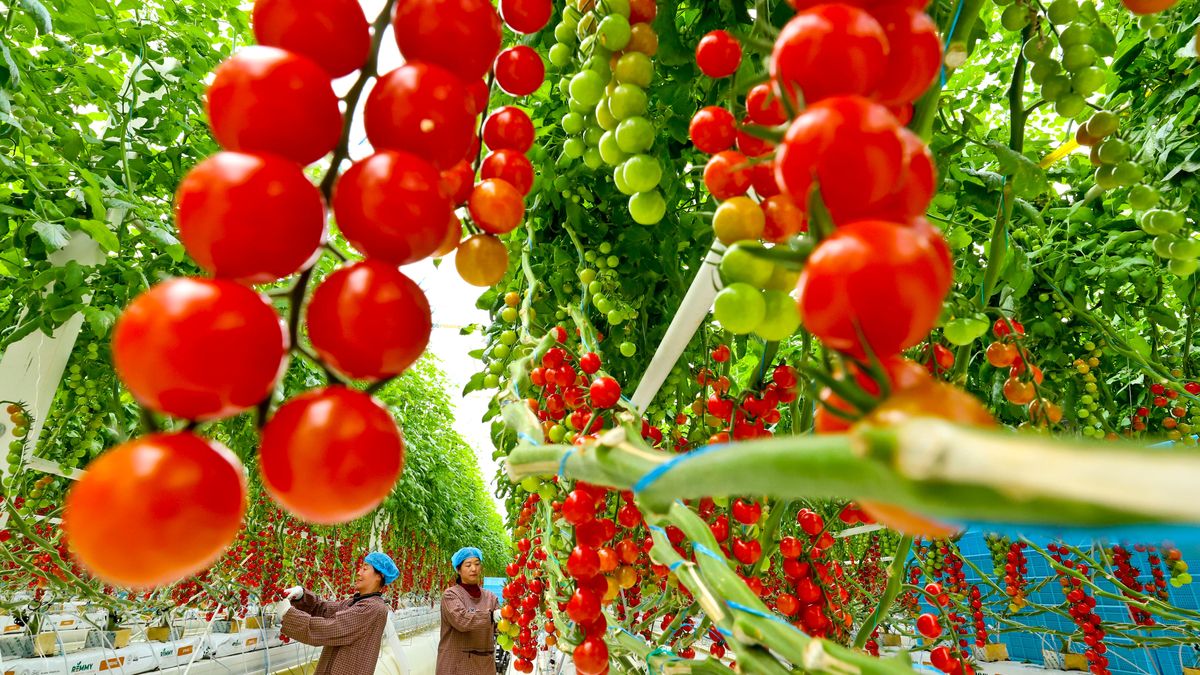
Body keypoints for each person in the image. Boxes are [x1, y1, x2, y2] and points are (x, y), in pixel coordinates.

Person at [278, 551, 400, 675]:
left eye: (365, 569)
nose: (358, 572)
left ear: (380, 576)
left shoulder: (372, 608)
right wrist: (301, 596)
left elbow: (331, 628)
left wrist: (288, 615)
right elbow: (323, 609)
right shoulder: (354, 603)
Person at [436, 546, 500, 675]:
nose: (474, 569)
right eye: (468, 565)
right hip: (455, 665)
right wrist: (491, 616)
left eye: (477, 564)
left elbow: (500, 628)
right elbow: (462, 620)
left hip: (483, 666)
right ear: (458, 569)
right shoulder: (451, 595)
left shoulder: (491, 597)